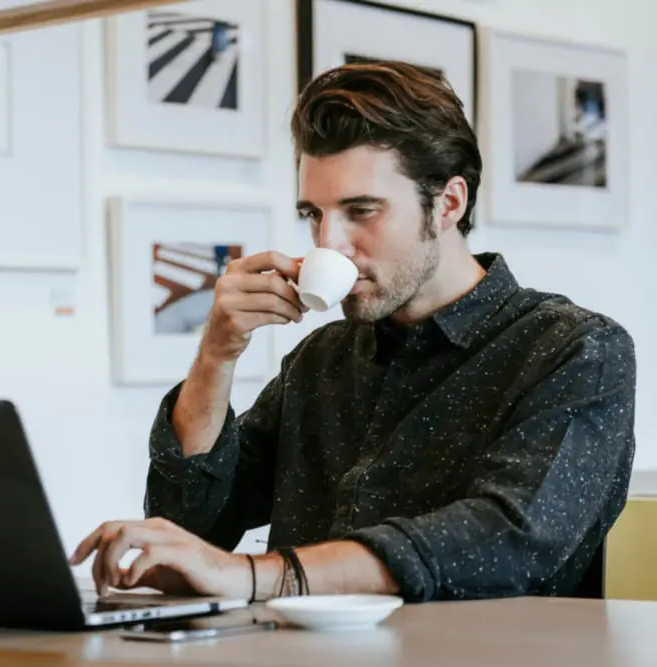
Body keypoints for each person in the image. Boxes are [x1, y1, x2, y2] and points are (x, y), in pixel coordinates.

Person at [69, 61, 637, 604]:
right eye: (313, 214)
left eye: (361, 211)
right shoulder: (321, 359)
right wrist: (216, 356)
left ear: (448, 202)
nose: (329, 243)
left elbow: (506, 541)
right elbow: (191, 524)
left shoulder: (576, 351)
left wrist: (260, 577)